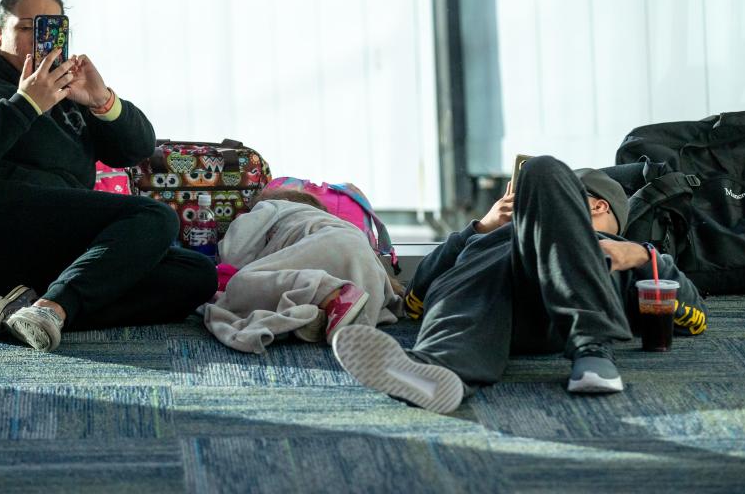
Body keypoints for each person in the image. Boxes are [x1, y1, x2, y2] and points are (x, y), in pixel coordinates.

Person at [0, 0, 217, 352]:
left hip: (44, 255)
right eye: (29, 27)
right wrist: (25, 103)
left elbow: (136, 149)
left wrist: (101, 100)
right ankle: (53, 306)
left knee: (195, 276)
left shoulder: (67, 91)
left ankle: (41, 309)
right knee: (155, 217)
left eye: (54, 29)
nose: (42, 39)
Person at [331, 155, 707, 414]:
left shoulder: (625, 254)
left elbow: (695, 316)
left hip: (558, 312)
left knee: (541, 169)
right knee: (489, 253)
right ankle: (438, 372)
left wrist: (644, 257)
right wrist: (480, 228)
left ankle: (592, 349)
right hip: (487, 314)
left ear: (597, 206)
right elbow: (417, 298)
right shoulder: (486, 240)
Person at [203, 188, 405, 353]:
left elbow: (233, 254)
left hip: (329, 244)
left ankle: (330, 294)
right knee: (296, 289)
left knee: (239, 285)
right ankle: (322, 315)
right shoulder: (332, 221)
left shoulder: (270, 207)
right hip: (364, 262)